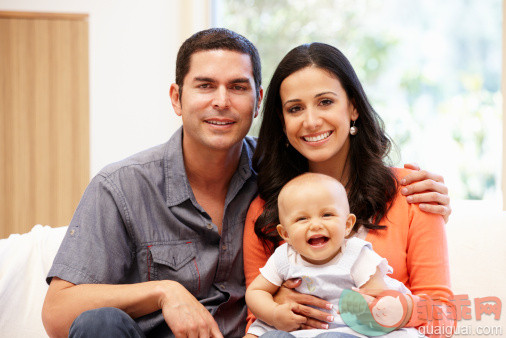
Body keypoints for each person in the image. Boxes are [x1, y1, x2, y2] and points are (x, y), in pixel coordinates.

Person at [41, 28, 451, 338]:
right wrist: (166, 292)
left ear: (256, 102)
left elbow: (443, 313)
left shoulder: (399, 193)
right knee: (101, 323)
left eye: (237, 87)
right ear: (176, 97)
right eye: (205, 85)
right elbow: (59, 312)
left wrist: (376, 309)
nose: (222, 101)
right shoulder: (266, 205)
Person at [243, 42, 455, 337]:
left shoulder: (412, 193)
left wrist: (389, 309)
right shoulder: (267, 209)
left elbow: (442, 316)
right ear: (282, 121)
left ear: (353, 106)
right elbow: (257, 321)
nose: (312, 121)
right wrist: (277, 305)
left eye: (326, 102)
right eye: (295, 108)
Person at [245, 173, 418, 338]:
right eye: (302, 219)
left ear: (348, 224)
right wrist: (274, 314)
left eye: (327, 215)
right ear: (285, 234)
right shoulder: (284, 257)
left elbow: (381, 296)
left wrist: (374, 308)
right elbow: (256, 291)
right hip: (296, 332)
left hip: (348, 331)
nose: (315, 225)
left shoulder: (357, 255)